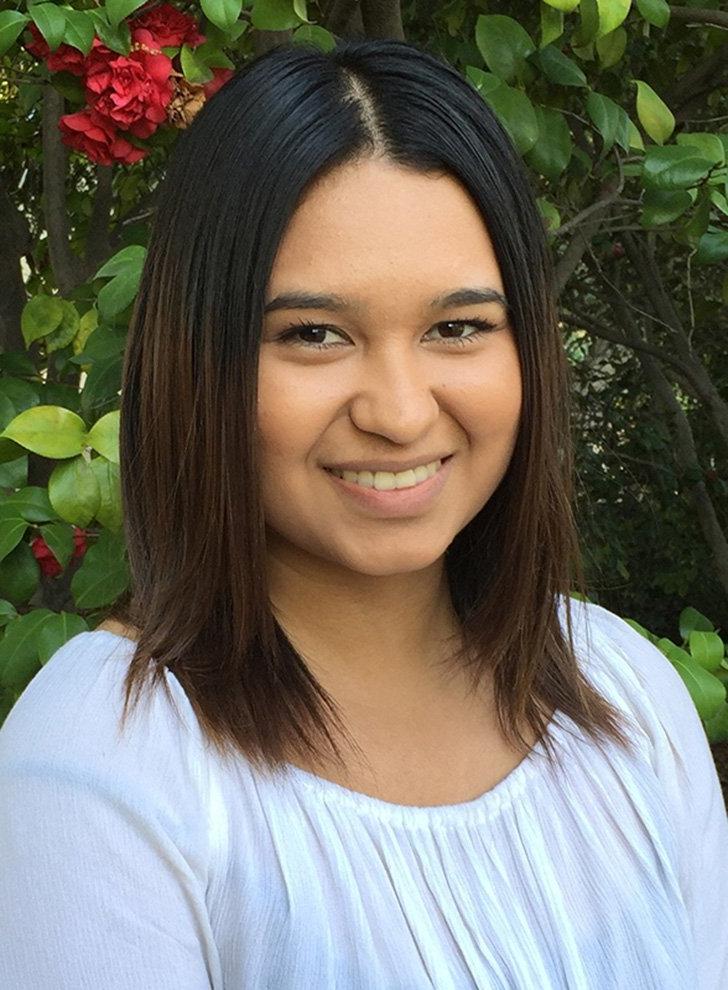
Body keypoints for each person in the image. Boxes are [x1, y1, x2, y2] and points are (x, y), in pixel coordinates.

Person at [0, 37, 726, 990]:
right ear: (197, 358)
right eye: (314, 335)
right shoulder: (104, 759)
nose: (399, 413)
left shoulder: (626, 694)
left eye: (457, 327)